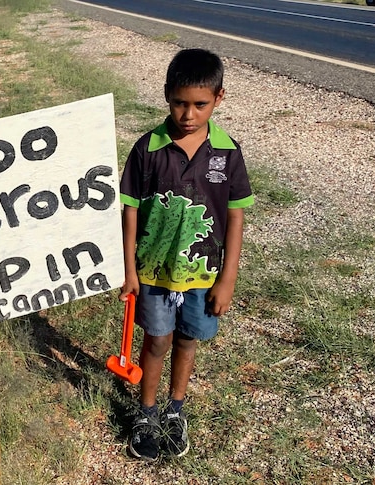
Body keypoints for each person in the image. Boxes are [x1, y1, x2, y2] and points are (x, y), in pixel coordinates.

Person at [118, 48, 254, 462]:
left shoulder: (227, 152)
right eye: (180, 103)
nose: (188, 114)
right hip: (154, 273)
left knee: (188, 340)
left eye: (200, 104)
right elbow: (130, 210)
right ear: (166, 96)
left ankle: (176, 410)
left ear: (219, 98)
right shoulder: (148, 149)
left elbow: (234, 217)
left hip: (203, 275)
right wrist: (129, 271)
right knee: (156, 341)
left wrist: (227, 279)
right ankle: (147, 412)